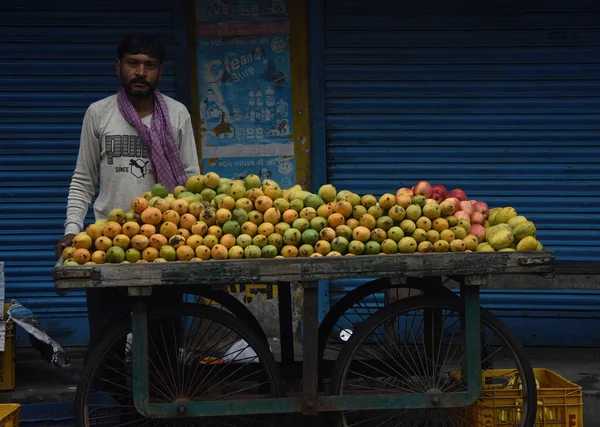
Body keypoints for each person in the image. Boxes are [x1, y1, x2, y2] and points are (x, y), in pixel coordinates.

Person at [54, 34, 200, 348]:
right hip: (108, 244)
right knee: (107, 341)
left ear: (160, 72)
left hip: (167, 243)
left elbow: (192, 184)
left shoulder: (177, 115)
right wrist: (72, 230)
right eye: (133, 63)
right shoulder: (99, 113)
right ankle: (113, 396)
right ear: (119, 67)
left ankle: (159, 396)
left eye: (149, 66)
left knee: (163, 343)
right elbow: (83, 179)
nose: (140, 72)